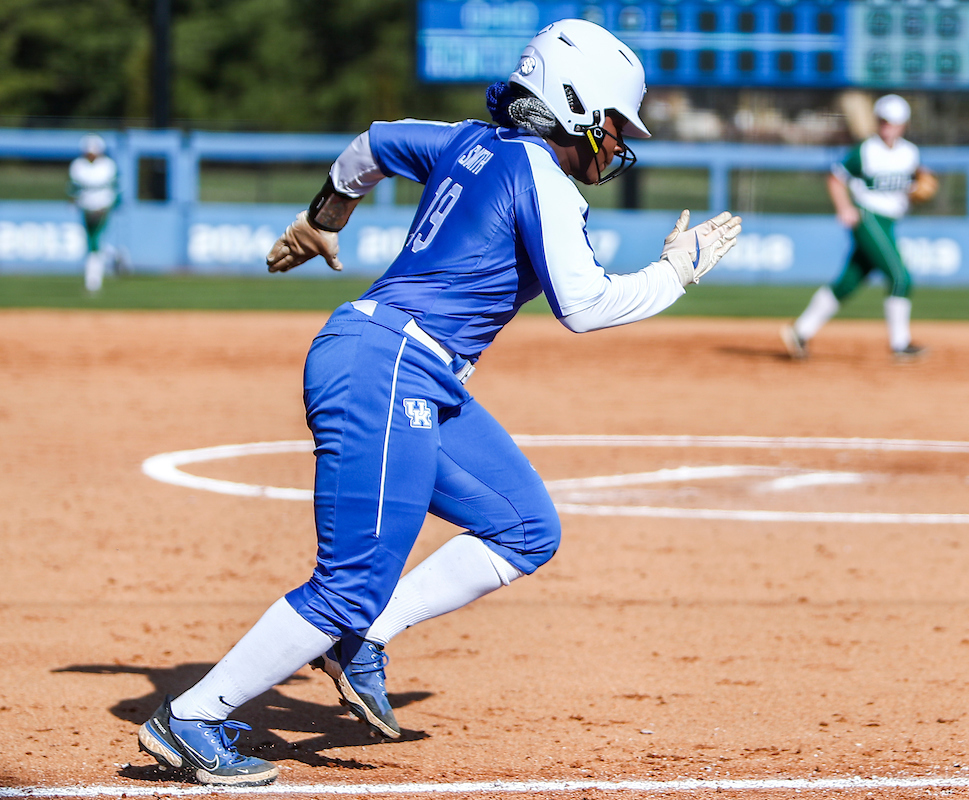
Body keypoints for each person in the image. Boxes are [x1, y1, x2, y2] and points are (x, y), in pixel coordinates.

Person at [136, 18, 740, 787]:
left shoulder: (468, 142)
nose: (619, 143)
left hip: (404, 365)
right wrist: (676, 273)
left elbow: (374, 142)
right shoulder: (543, 179)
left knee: (525, 528)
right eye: (616, 124)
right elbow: (584, 306)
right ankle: (192, 717)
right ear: (578, 104)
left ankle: (361, 638)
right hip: (390, 365)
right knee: (348, 578)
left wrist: (325, 216)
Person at [781, 94, 936, 362]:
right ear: (878, 121)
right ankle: (900, 345)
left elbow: (912, 183)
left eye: (895, 122)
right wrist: (844, 207)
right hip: (868, 217)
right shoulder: (866, 150)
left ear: (904, 124)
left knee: (849, 282)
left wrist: (919, 188)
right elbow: (835, 177)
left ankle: (800, 331)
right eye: (885, 122)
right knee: (900, 277)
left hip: (889, 220)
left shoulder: (910, 153)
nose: (889, 127)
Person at [67, 134, 120, 294]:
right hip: (86, 207)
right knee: (92, 242)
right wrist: (74, 203)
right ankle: (114, 255)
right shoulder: (78, 166)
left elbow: (116, 190)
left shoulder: (108, 166)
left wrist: (109, 206)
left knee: (94, 242)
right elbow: (73, 189)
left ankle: (93, 281)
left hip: (102, 207)